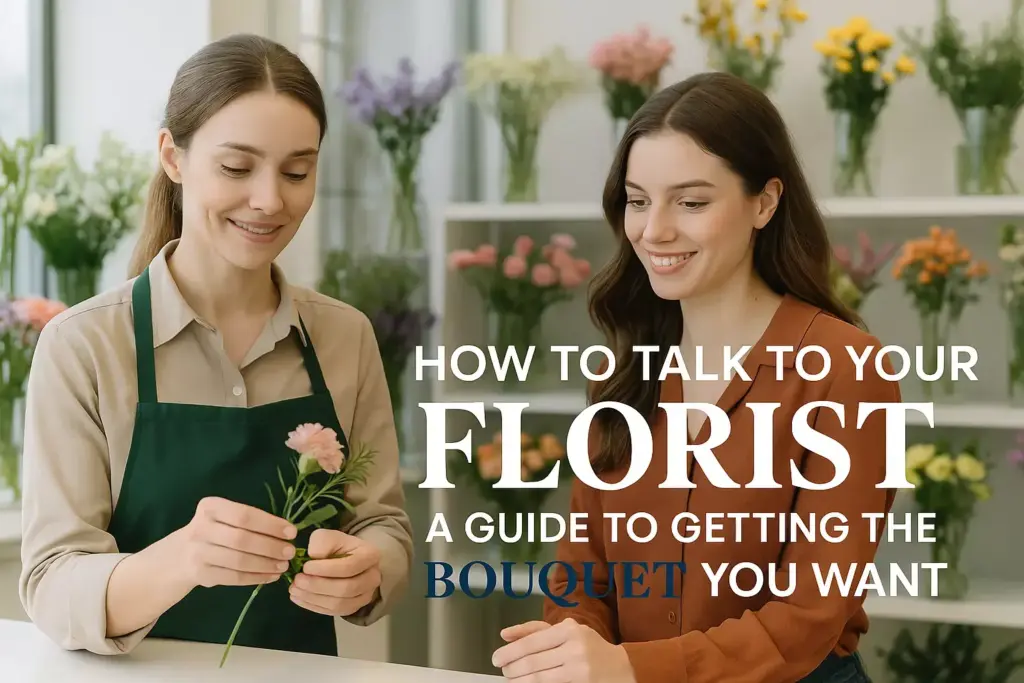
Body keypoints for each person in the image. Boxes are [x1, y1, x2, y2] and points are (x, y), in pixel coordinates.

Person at [491, 72, 899, 683]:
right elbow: (584, 572)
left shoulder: (846, 369)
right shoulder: (624, 369)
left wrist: (630, 667)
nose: (654, 231)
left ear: (764, 202)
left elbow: (810, 613)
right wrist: (574, 649)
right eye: (637, 200)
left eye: (691, 201)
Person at [18, 33, 413, 658]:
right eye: (236, 167)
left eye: (297, 171)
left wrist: (367, 573)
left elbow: (381, 524)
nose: (269, 200)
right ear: (173, 158)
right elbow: (51, 582)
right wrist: (179, 560)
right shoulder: (84, 345)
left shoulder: (345, 335)